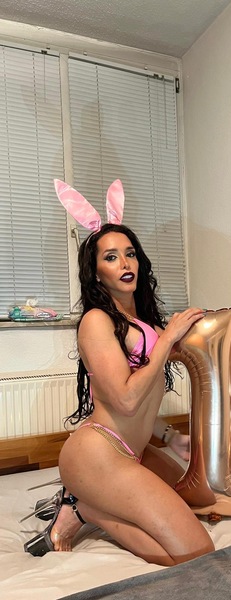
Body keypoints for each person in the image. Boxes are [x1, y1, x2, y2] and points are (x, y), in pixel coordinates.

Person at [23, 181, 214, 565]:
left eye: (130, 254)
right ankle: (86, 510)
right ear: (96, 273)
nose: (125, 263)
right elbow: (125, 400)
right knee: (195, 552)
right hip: (98, 454)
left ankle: (81, 500)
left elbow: (144, 397)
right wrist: (167, 340)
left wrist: (170, 436)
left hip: (133, 451)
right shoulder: (96, 321)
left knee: (198, 499)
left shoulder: (143, 322)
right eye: (111, 257)